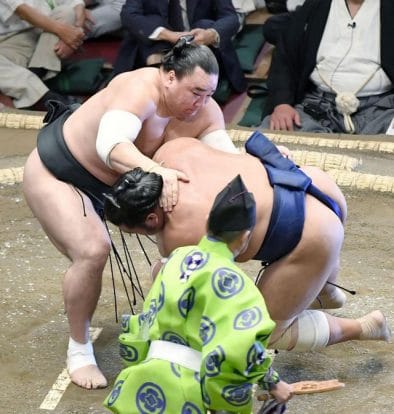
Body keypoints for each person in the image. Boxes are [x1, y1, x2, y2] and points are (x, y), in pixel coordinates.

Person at [22, 39, 238, 390]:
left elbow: (226, 161)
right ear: (169, 77)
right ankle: (79, 349)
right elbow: (111, 146)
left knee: (185, 249)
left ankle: (163, 330)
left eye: (209, 94)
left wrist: (266, 159)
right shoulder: (138, 87)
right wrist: (158, 170)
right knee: (93, 249)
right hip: (59, 173)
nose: (200, 103)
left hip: (121, 192)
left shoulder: (204, 112)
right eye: (195, 92)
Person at [104, 130, 392, 358]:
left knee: (262, 331)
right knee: (313, 269)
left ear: (152, 219)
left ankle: (365, 326)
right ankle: (325, 290)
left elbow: (217, 295)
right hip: (313, 181)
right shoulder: (173, 150)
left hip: (312, 233)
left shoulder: (177, 239)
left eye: (136, 231)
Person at [103, 175, 293, 413]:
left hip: (143, 383)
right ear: (246, 236)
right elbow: (239, 351)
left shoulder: (176, 259)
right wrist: (272, 382)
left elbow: (146, 318)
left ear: (207, 222)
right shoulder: (238, 285)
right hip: (188, 393)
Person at [260, 0, 394, 134]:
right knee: (267, 141)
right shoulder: (315, 5)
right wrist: (282, 104)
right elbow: (286, 56)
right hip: (319, 106)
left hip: (382, 108)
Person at [114, 0, 247, 95]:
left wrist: (210, 34)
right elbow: (128, 15)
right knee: (151, 22)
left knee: (205, 24)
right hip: (160, 45)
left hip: (198, 44)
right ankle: (161, 83)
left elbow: (230, 17)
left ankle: (193, 86)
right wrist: (167, 35)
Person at [0, 0, 89, 109]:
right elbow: (22, 11)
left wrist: (76, 31)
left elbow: (75, 3)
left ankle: (34, 83)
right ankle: (47, 97)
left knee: (66, 12)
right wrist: (66, 33)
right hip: (8, 41)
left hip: (43, 32)